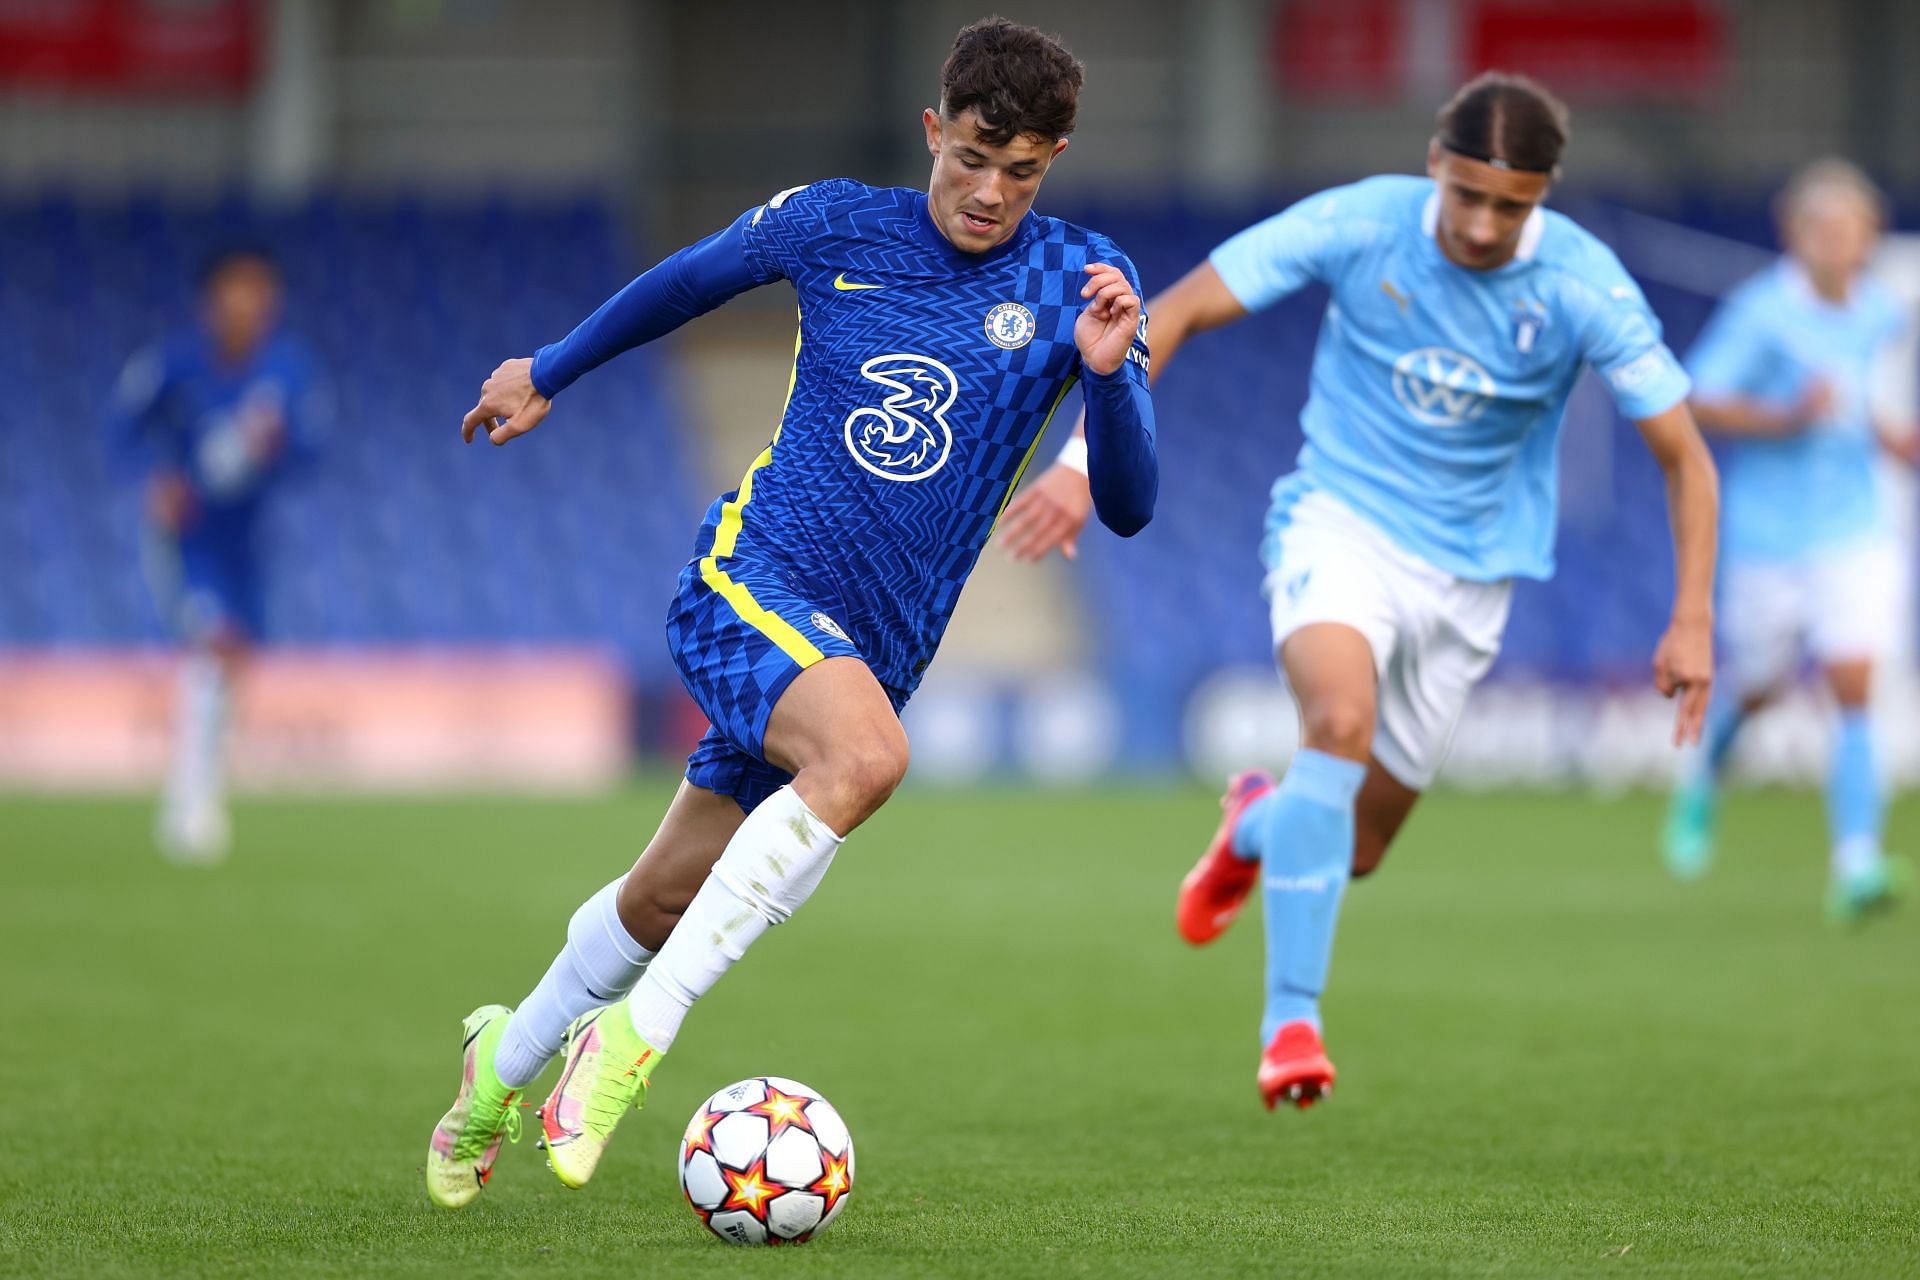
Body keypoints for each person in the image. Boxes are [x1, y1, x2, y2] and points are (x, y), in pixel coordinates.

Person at [424, 18, 1157, 1208]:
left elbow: (1127, 504)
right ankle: (628, 1042)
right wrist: (546, 369)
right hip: (748, 582)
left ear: (1054, 161)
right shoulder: (836, 222)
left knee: (661, 896)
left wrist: (1114, 375)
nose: (990, 191)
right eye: (973, 157)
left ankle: (497, 1068)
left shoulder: (1081, 281)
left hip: (867, 649)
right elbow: (685, 281)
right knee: (868, 758)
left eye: (1022, 172)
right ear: (935, 130)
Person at [999, 72, 1717, 1110]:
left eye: (1510, 205)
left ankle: (1255, 823)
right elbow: (1185, 306)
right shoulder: (1364, 221)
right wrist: (1076, 458)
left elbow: (1685, 456)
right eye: (1465, 193)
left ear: (1544, 197)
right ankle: (1291, 1022)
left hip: (1473, 581)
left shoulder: (1584, 284)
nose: (1480, 223)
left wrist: (1691, 615)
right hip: (1340, 525)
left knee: (1356, 846)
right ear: (1434, 163)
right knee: (1336, 718)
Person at [1662, 159, 1914, 919]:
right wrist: (1786, 418)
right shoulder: (1761, 312)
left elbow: (1857, 401)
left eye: (1854, 231)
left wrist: (1892, 440)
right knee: (1762, 686)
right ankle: (1705, 778)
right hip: (1770, 535)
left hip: (1855, 528)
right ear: (1795, 234)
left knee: (1855, 684)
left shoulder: (1877, 312)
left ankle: (1856, 862)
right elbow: (1696, 400)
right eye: (1826, 230)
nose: (1841, 244)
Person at [107, 245, 327, 863]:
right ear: (210, 299)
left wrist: (279, 445)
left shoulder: (289, 371)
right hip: (189, 537)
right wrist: (155, 480)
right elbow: (121, 426)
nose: (248, 303)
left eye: (259, 290)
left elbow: (313, 449)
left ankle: (202, 792)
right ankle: (189, 810)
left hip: (247, 542)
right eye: (236, 288)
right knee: (214, 644)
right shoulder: (173, 364)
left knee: (233, 663)